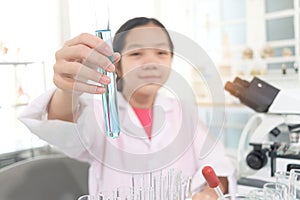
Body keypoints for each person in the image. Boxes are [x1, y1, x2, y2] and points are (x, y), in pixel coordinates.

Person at [19, 17, 235, 199]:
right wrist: (68, 88)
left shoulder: (184, 111)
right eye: (136, 54)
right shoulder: (101, 113)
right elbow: (64, 125)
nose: (151, 62)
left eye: (161, 53)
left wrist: (209, 193)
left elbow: (219, 166)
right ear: (117, 66)